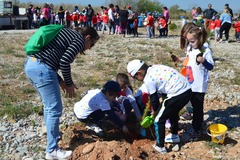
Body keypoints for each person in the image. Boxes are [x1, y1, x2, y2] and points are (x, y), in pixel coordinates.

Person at [24, 26, 100, 160]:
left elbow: (51, 61)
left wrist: (61, 81)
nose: (89, 48)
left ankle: (51, 135)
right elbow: (64, 62)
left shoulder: (69, 35)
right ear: (87, 37)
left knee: (49, 107)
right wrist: (69, 84)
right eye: (92, 44)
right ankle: (52, 150)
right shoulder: (78, 40)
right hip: (42, 69)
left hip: (32, 65)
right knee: (54, 109)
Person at [127, 59, 192, 154]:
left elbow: (154, 99)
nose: (137, 80)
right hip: (187, 90)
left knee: (158, 119)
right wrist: (157, 109)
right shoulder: (155, 67)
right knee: (172, 111)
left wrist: (155, 113)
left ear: (139, 73)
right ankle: (174, 136)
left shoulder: (148, 79)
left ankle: (160, 146)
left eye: (135, 77)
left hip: (177, 93)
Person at [183, 26, 214, 140]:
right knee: (190, 102)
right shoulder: (189, 48)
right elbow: (188, 59)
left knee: (198, 107)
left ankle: (196, 128)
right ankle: (191, 117)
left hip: (199, 85)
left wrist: (203, 61)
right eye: (189, 41)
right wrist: (180, 60)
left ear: (200, 39)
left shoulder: (205, 51)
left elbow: (210, 67)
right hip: (189, 82)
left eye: (192, 41)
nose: (190, 43)